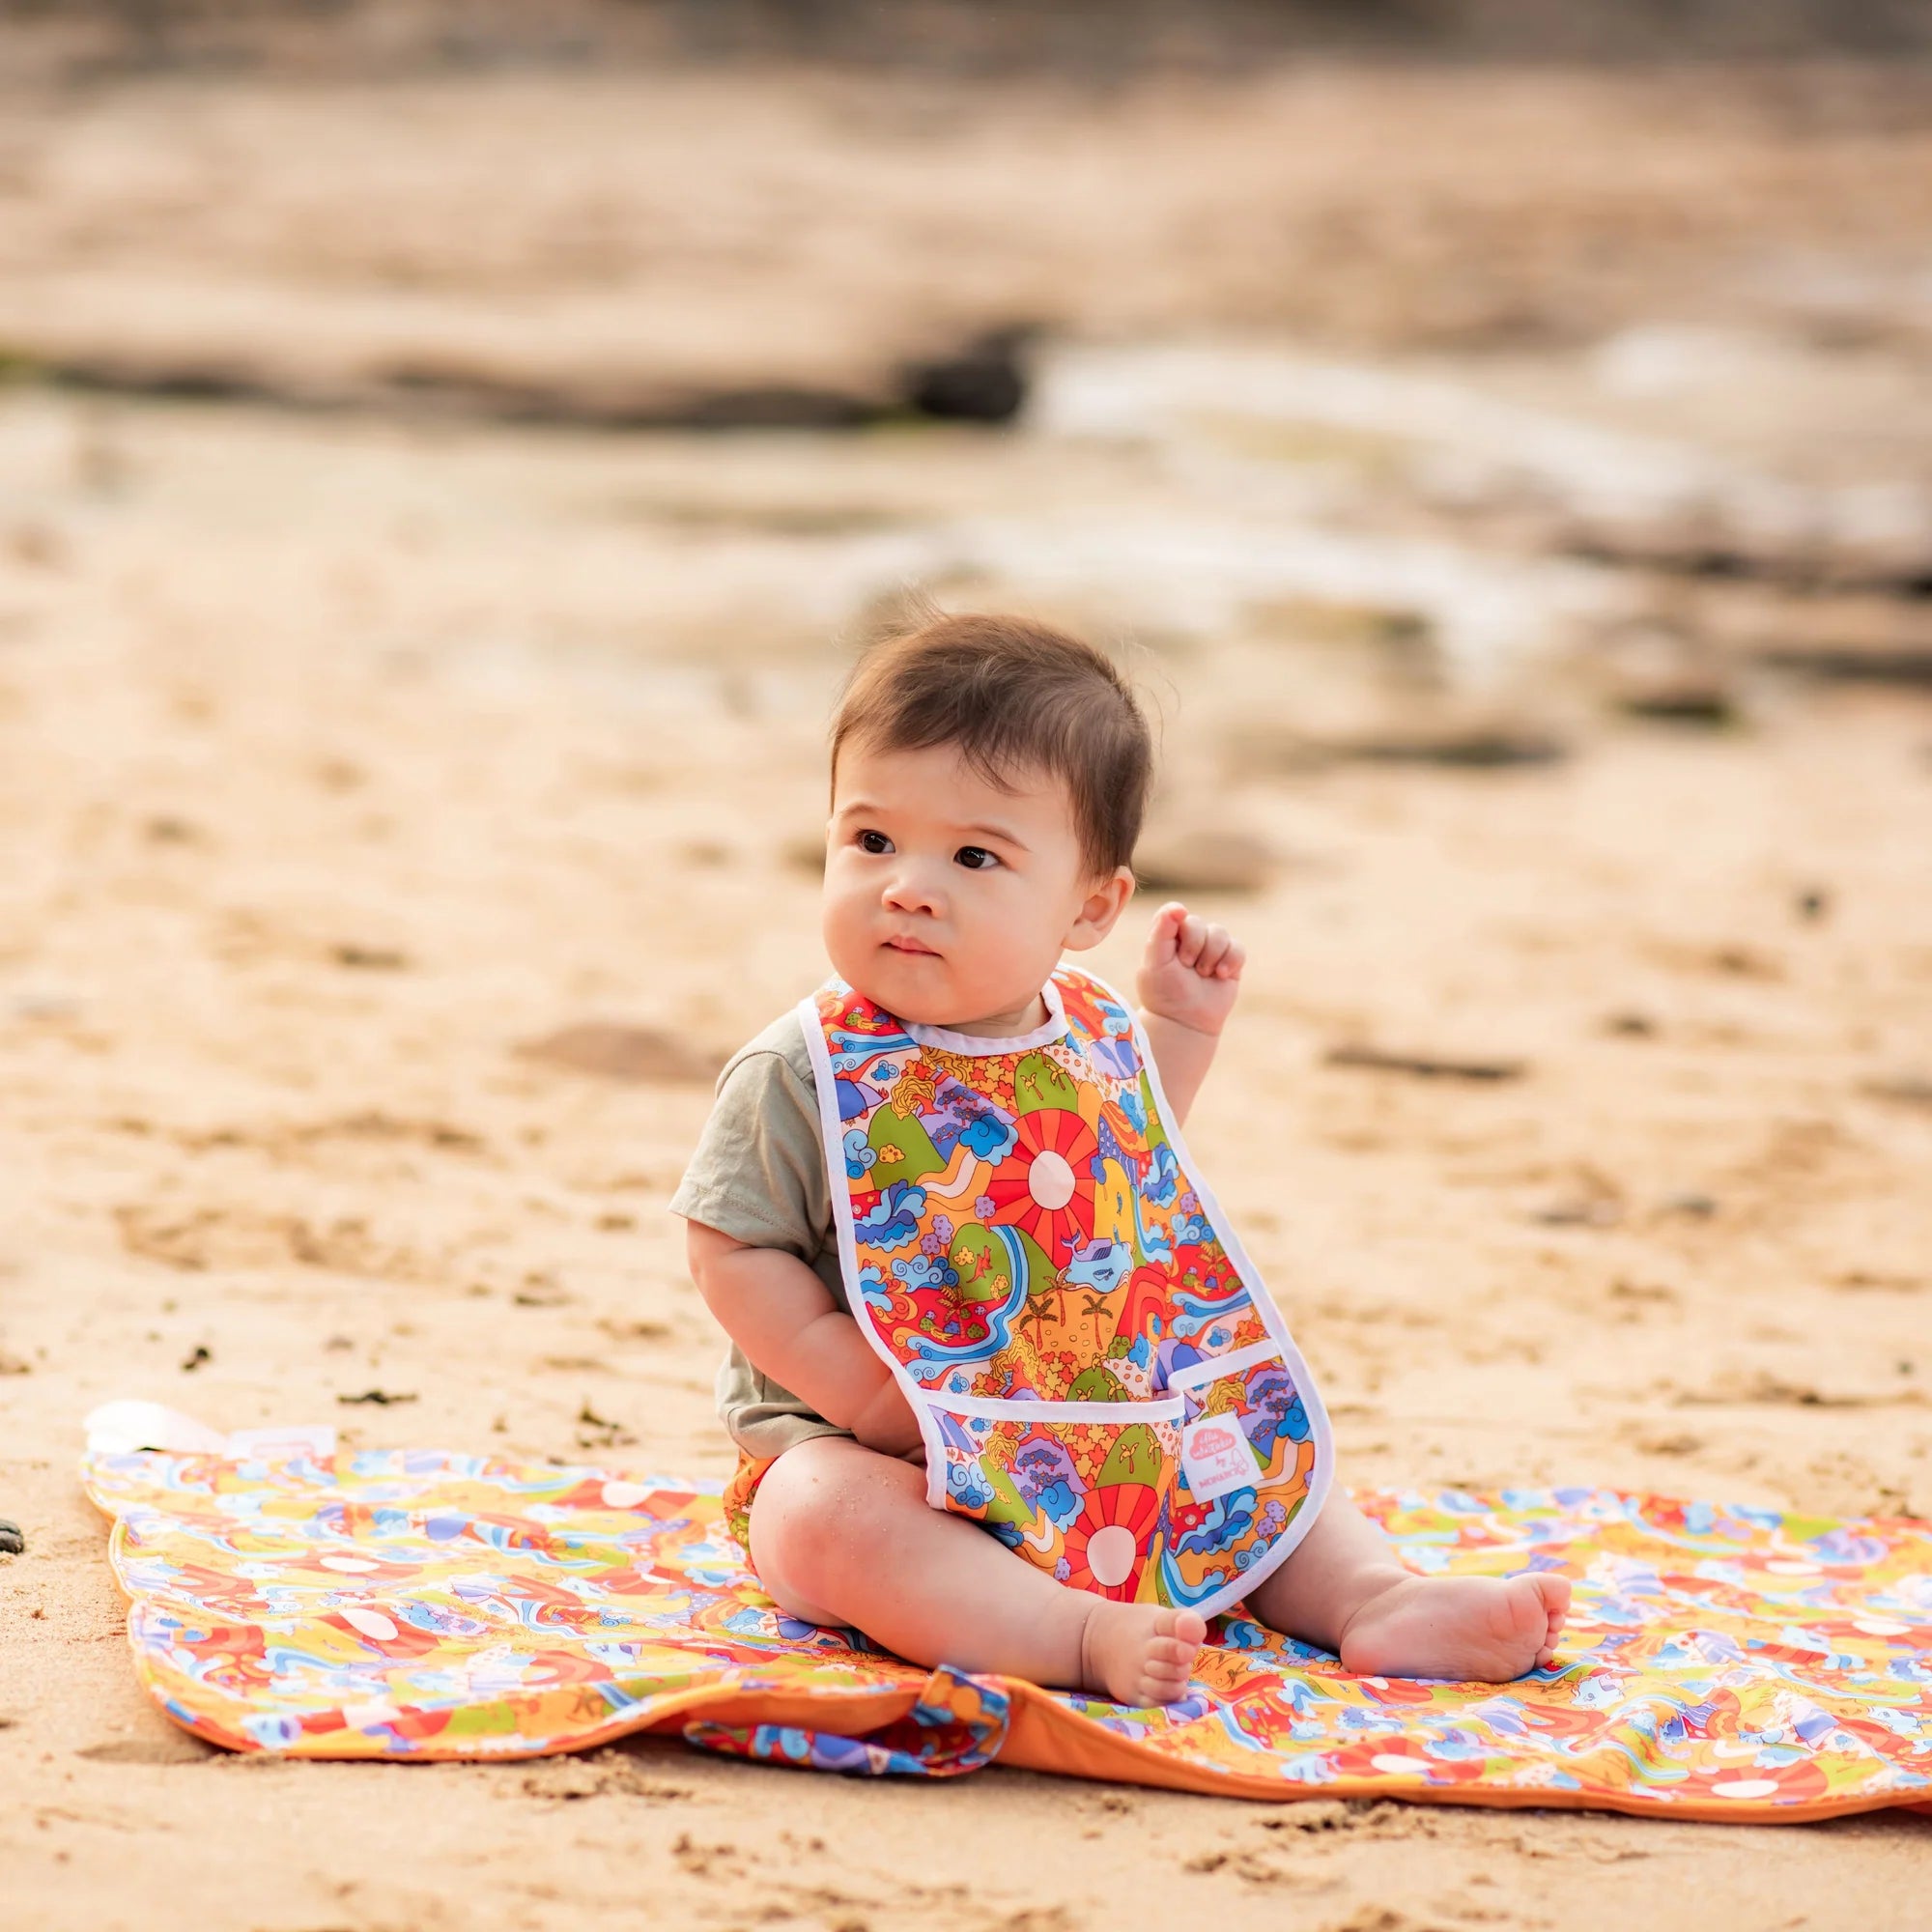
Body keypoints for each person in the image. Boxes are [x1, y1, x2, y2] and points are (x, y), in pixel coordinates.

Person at [673, 612, 1570, 1707]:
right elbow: (728, 1243)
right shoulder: (804, 1069)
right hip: (891, 1451)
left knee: (1246, 1459)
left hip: (1089, 1419)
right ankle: (1072, 1629)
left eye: (972, 855)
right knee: (818, 1516)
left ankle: (1370, 1598)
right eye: (869, 841)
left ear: (1088, 906)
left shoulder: (1087, 1038)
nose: (906, 884)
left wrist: (1178, 1033)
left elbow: (1123, 1160)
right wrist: (855, 1386)